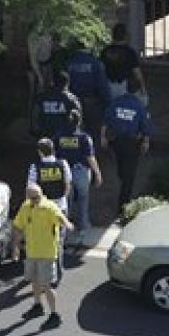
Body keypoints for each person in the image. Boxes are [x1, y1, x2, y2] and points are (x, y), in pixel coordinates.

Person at [12, 183, 74, 329]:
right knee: (34, 280)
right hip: (32, 251)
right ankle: (37, 306)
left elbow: (60, 217)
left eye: (37, 197)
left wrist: (67, 223)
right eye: (32, 198)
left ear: (41, 194)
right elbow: (18, 226)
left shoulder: (49, 207)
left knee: (46, 285)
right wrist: (15, 247)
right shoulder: (26, 207)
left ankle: (54, 315)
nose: (35, 200)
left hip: (47, 253)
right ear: (28, 197)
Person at [101, 75, 153, 214]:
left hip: (116, 142)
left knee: (122, 169)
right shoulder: (139, 107)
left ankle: (123, 184)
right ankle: (123, 206)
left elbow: (106, 120)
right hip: (131, 144)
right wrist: (146, 142)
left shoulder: (116, 102)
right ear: (137, 91)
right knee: (129, 176)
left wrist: (103, 138)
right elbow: (145, 127)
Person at [27, 138, 72, 285]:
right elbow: (67, 184)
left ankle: (41, 274)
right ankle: (58, 274)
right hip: (60, 208)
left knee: (43, 241)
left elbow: (31, 190)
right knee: (59, 242)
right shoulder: (62, 164)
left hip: (42, 210)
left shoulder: (35, 167)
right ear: (53, 149)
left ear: (40, 152)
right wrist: (62, 199)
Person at [54, 109, 102, 244]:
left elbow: (54, 154)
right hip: (80, 171)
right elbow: (90, 157)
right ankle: (82, 227)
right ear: (79, 121)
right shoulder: (84, 137)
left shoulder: (58, 136)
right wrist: (97, 173)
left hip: (63, 172)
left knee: (65, 201)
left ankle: (65, 228)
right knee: (82, 199)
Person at [66, 40, 110, 140]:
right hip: (92, 102)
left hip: (72, 101)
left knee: (73, 130)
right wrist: (107, 102)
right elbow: (102, 86)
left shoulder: (69, 63)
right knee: (92, 132)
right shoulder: (96, 63)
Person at [100, 22, 147, 103]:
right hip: (124, 86)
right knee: (142, 100)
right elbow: (137, 73)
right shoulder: (130, 52)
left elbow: (100, 70)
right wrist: (143, 88)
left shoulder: (105, 51)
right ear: (125, 36)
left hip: (109, 86)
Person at [32, 70, 82, 138]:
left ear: (53, 82)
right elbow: (78, 119)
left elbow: (35, 115)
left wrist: (37, 132)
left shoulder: (42, 97)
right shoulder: (72, 99)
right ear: (67, 83)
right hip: (65, 138)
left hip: (45, 136)